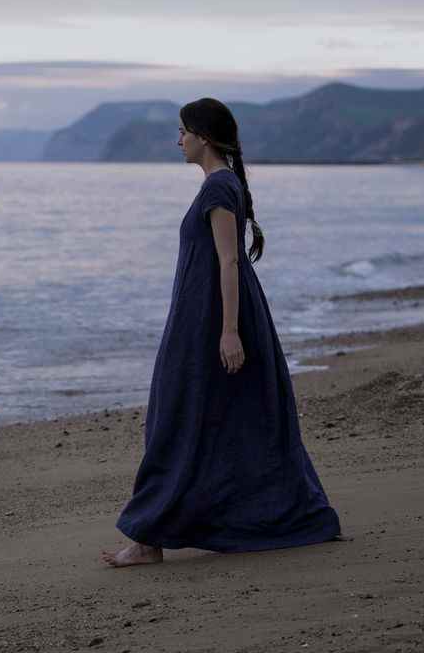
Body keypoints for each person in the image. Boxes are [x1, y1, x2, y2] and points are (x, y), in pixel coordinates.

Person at [101, 97, 342, 567]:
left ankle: (150, 539)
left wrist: (229, 332)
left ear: (203, 138)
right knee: (219, 421)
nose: (179, 141)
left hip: (211, 321)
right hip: (202, 318)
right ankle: (161, 533)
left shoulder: (218, 189)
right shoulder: (223, 184)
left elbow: (229, 262)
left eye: (184, 133)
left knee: (173, 419)